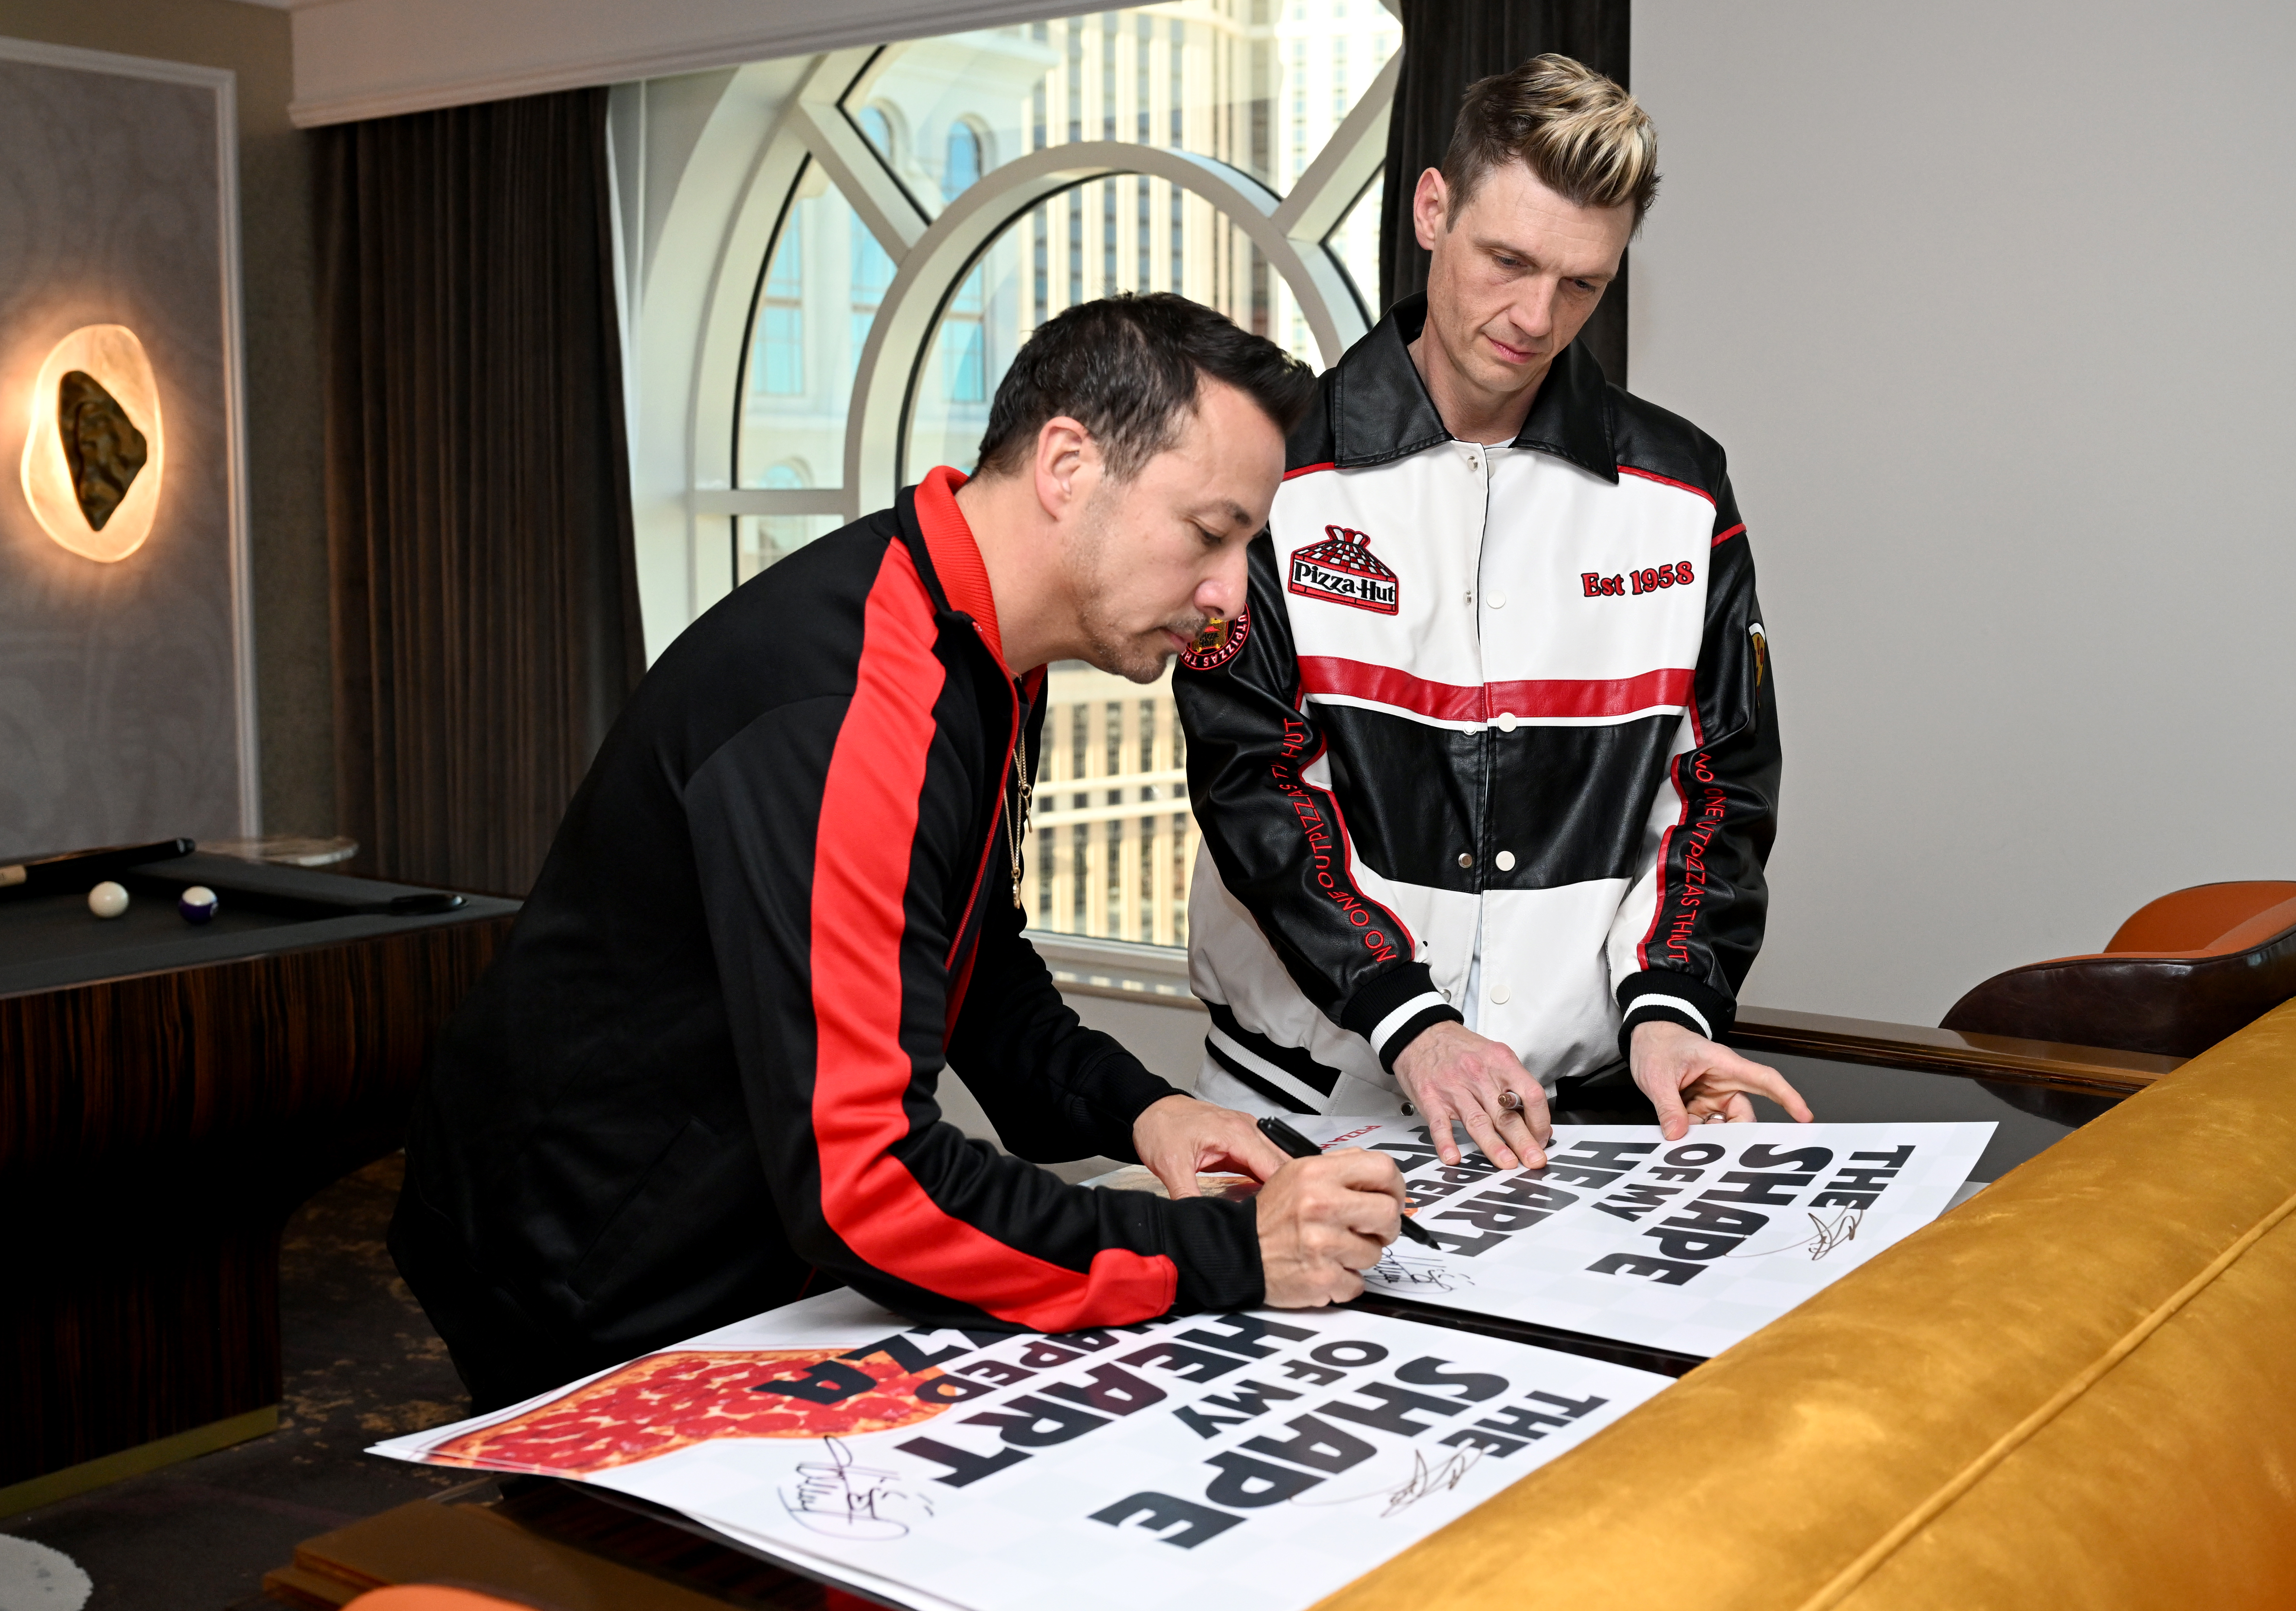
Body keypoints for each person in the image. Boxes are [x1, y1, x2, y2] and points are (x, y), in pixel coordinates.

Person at [392, 296, 1415, 1412]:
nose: (1229, 595)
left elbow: (968, 963)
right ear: (1067, 464)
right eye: (1209, 533)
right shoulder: (855, 700)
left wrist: (1142, 1111)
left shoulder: (978, 649)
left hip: (735, 1220)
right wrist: (1224, 1252)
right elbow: (868, 1189)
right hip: (585, 1249)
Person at [1175, 55, 1812, 1174]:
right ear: (1431, 210)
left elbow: (1716, 788)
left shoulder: (1682, 487)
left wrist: (1670, 1004)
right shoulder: (1274, 469)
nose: (1534, 317)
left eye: (1580, 285)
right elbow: (1253, 788)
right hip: (1306, 1101)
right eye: (1507, 261)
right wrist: (1408, 1019)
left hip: (1573, 1119)